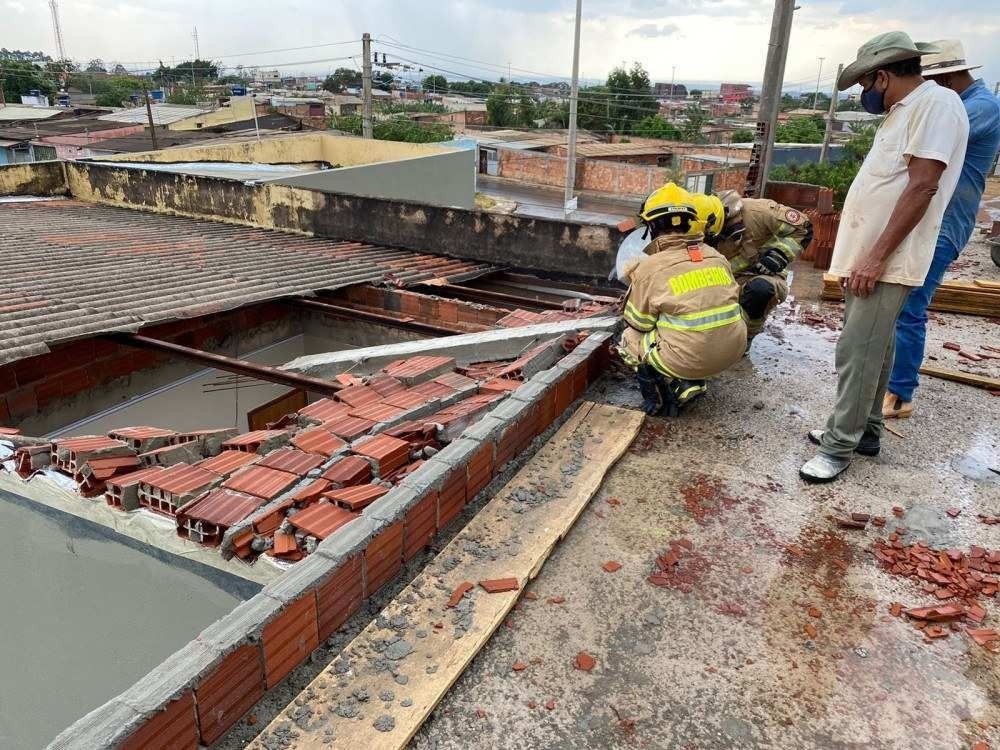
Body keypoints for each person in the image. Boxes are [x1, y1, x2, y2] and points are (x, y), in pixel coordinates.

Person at [800, 31, 969, 483]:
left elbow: (922, 186)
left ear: (881, 76)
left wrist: (875, 258)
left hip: (887, 259)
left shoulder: (935, 106)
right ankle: (867, 431)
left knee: (857, 350)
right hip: (873, 256)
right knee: (876, 345)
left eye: (863, 86)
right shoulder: (906, 110)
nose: (862, 96)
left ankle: (838, 446)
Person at [883, 40, 1000, 418]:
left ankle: (900, 394)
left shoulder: (979, 109)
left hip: (946, 222)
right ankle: (890, 381)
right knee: (901, 301)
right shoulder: (960, 103)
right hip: (930, 217)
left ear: (946, 78)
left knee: (911, 305)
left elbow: (926, 152)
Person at [615, 183, 747, 416]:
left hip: (693, 357)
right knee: (689, 326)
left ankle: (669, 391)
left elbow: (639, 324)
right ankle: (692, 380)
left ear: (652, 226)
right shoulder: (717, 256)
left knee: (628, 339)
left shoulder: (650, 268)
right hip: (733, 351)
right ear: (690, 221)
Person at [696, 191, 813, 344]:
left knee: (760, 291)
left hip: (759, 273)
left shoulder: (759, 212)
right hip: (720, 276)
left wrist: (778, 256)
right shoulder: (696, 223)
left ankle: (746, 337)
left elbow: (803, 228)